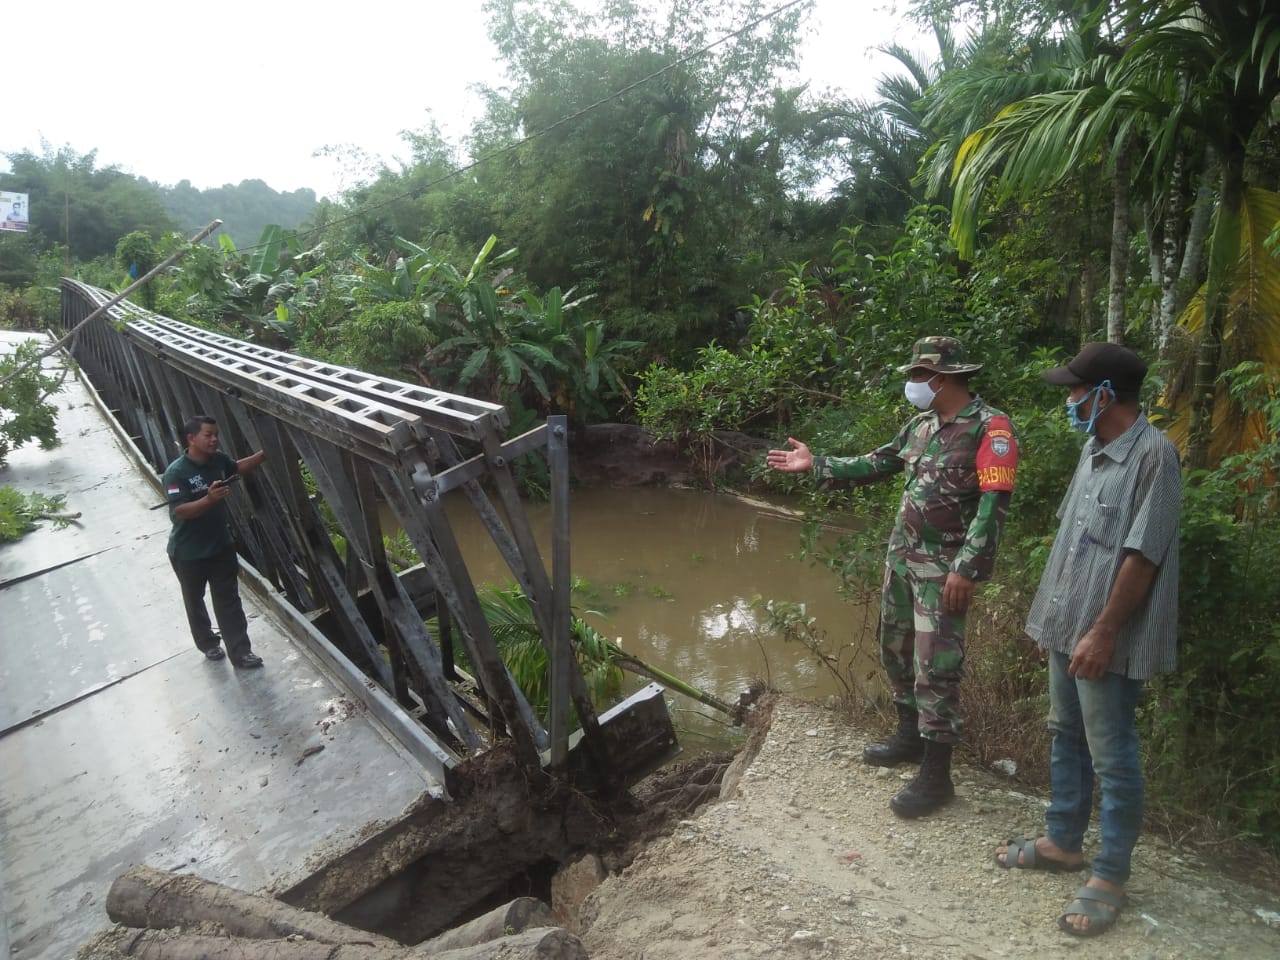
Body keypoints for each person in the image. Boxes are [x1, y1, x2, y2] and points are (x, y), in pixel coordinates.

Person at [766, 336, 1019, 817]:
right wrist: (817, 464)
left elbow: (993, 503)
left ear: (943, 378)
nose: (912, 383)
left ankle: (937, 775)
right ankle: (909, 737)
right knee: (897, 648)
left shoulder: (991, 429)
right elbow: (879, 461)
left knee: (936, 665)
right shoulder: (922, 425)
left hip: (942, 572)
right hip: (902, 560)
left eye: (918, 375)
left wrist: (968, 568)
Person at [995, 342, 1181, 938]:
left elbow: (1143, 556)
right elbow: (1074, 539)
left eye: (1076, 390)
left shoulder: (1156, 455)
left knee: (1113, 753)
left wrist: (1103, 631)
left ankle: (1108, 877)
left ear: (1104, 394)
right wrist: (1055, 619)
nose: (1070, 399)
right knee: (1064, 734)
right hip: (1065, 622)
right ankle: (1062, 841)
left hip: (1110, 637)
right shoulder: (1091, 450)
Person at [163, 415, 267, 669]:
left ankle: (241, 653)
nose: (214, 439)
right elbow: (180, 512)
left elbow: (235, 468)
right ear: (191, 439)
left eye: (215, 434)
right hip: (188, 552)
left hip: (221, 545)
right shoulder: (176, 473)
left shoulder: (218, 460)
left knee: (229, 600)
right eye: (208, 435)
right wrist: (209, 500)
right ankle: (208, 643)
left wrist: (263, 455)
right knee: (194, 600)